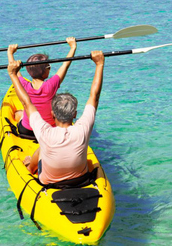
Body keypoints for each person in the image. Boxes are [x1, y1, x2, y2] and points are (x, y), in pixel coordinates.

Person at [7, 49, 105, 185]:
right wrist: (99, 64)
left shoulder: (44, 132)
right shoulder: (83, 128)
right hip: (81, 179)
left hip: (48, 181)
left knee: (41, 147)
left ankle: (30, 166)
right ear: (75, 114)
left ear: (53, 113)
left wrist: (12, 73)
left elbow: (26, 103)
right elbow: (94, 96)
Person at [7, 38, 76, 137]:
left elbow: (15, 71)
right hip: (48, 129)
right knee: (22, 113)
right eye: (49, 67)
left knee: (19, 114)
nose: (50, 68)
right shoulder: (51, 85)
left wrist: (10, 53)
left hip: (27, 130)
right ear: (46, 72)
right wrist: (73, 47)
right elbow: (65, 65)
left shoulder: (22, 84)